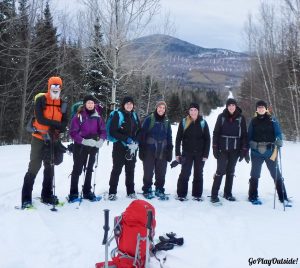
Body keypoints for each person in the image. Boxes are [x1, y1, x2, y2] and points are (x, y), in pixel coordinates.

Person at [21, 76, 68, 209]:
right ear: (49, 86)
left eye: (58, 86)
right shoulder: (41, 100)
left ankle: (46, 195)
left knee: (50, 167)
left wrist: (55, 127)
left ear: (61, 88)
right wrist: (55, 125)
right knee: (34, 166)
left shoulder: (63, 103)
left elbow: (65, 123)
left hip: (53, 139)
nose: (55, 89)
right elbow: (40, 119)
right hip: (39, 138)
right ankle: (26, 199)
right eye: (53, 86)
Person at [248, 100, 289, 205]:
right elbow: (249, 136)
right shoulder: (253, 121)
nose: (260, 109)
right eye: (259, 107)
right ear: (256, 109)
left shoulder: (272, 120)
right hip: (256, 152)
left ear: (266, 109)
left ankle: (283, 197)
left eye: (262, 107)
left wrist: (279, 140)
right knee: (255, 174)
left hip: (270, 152)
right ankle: (252, 196)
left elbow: (278, 133)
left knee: (276, 174)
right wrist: (249, 145)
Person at [68, 95, 106, 202]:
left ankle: (87, 192)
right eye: (88, 103)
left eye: (92, 103)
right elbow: (73, 132)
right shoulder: (78, 116)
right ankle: (73, 193)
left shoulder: (98, 116)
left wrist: (101, 140)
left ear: (94, 104)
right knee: (77, 169)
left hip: (93, 146)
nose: (90, 105)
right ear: (85, 104)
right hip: (80, 146)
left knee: (89, 169)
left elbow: (103, 131)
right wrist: (83, 141)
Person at [210, 98, 249, 204]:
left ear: (236, 106)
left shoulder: (241, 118)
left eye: (233, 105)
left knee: (231, 171)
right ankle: (214, 194)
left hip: (235, 150)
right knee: (220, 171)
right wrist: (214, 147)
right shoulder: (221, 117)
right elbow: (216, 133)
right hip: (223, 149)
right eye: (229, 105)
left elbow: (245, 135)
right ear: (227, 106)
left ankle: (228, 193)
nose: (231, 107)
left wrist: (244, 150)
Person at [175, 103, 211, 201]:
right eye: (191, 110)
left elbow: (208, 139)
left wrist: (206, 154)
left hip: (200, 153)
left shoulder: (203, 122)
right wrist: (177, 153)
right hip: (187, 152)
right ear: (189, 111)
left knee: (198, 173)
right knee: (185, 173)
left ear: (198, 111)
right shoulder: (184, 122)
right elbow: (178, 139)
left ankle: (197, 194)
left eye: (195, 110)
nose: (193, 112)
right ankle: (181, 194)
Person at [108, 96, 140, 200]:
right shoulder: (118, 115)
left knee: (130, 170)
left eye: (131, 104)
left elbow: (139, 130)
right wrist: (126, 139)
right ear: (123, 105)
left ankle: (130, 191)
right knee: (117, 170)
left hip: (132, 148)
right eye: (127, 103)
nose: (129, 105)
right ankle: (112, 192)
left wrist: (136, 140)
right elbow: (113, 131)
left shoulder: (134, 115)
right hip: (119, 147)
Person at [138, 101, 173, 199]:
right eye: (159, 107)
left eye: (163, 108)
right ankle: (147, 189)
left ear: (165, 109)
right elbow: (142, 134)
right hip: (150, 149)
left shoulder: (167, 121)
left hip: (163, 150)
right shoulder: (149, 119)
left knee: (161, 171)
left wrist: (170, 149)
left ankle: (159, 189)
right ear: (156, 108)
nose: (161, 109)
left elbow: (169, 136)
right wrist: (142, 149)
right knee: (148, 171)